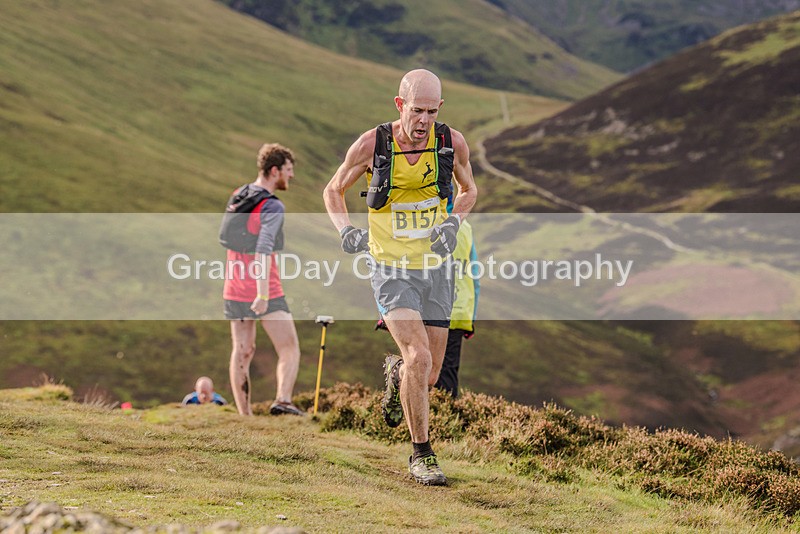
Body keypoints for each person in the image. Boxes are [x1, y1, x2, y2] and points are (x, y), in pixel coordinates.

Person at [323, 69, 477, 485]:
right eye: (416, 110)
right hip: (390, 267)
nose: (423, 120)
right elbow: (333, 189)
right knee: (419, 356)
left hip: (436, 268)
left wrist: (452, 224)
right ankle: (421, 455)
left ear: (439, 109)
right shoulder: (374, 144)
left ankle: (397, 375)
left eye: (431, 111)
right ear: (399, 105)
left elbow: (469, 190)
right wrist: (345, 231)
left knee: (427, 373)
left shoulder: (451, 143)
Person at [223, 143, 304, 417]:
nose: (290, 177)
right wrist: (262, 294)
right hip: (263, 287)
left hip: (234, 284)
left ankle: (245, 417)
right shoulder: (272, 206)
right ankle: (282, 400)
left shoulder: (239, 194)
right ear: (274, 171)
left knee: (242, 350)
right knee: (289, 348)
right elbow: (263, 248)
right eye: (288, 171)